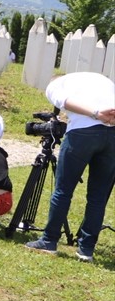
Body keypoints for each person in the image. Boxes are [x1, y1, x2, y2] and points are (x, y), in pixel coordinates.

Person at [26, 72, 115, 262]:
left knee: (63, 190)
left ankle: (49, 240)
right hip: (112, 134)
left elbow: (65, 101)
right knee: (98, 197)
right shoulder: (101, 80)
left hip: (82, 133)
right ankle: (86, 249)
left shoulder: (55, 85)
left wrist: (96, 114)